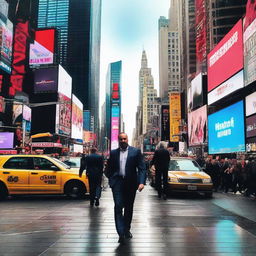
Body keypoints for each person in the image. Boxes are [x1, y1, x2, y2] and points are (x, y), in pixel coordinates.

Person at [105, 132, 146, 245]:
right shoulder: (113, 153)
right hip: (117, 183)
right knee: (118, 206)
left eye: (124, 139)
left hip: (130, 184)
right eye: (121, 139)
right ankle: (121, 233)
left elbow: (142, 168)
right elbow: (108, 169)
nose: (123, 141)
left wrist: (141, 182)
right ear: (118, 140)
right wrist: (112, 180)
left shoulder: (135, 152)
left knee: (128, 208)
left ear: (127, 139)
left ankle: (126, 229)